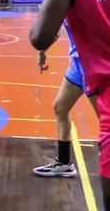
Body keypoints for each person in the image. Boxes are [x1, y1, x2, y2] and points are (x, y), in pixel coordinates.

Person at [29, 0, 110, 208]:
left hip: (97, 71)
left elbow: (40, 35)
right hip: (82, 64)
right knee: (60, 107)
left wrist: (45, 28)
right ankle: (64, 161)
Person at [34, 20, 98, 177]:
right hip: (77, 62)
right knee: (60, 108)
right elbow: (54, 29)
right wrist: (43, 50)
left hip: (92, 63)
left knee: (105, 118)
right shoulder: (64, 0)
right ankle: (63, 163)